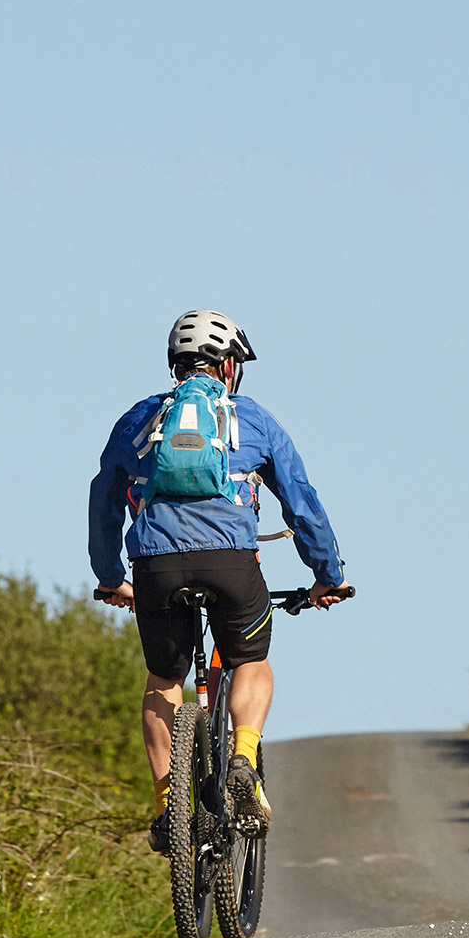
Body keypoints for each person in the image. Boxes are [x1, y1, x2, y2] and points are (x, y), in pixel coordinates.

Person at [90, 309, 345, 852]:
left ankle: (167, 812)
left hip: (155, 568)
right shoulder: (250, 418)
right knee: (251, 660)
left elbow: (104, 499)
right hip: (232, 564)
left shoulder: (139, 419)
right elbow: (301, 502)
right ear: (229, 365)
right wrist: (327, 575)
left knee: (164, 680)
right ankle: (242, 760)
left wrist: (112, 576)